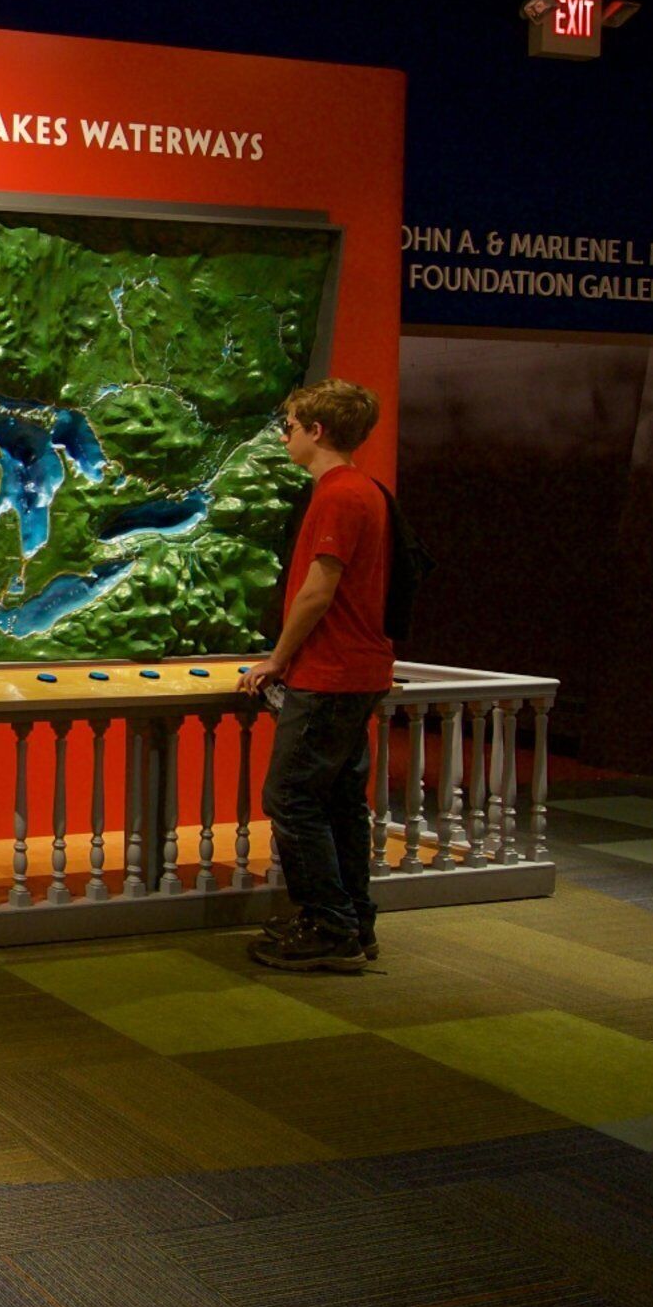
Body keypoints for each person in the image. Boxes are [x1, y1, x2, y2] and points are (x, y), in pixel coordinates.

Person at [235, 380, 396, 972]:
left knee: (290, 797)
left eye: (293, 426)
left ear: (317, 431)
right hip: (360, 671)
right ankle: (354, 919)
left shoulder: (337, 496)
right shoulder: (367, 491)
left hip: (328, 674)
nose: (287, 436)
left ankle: (329, 925)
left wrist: (277, 658)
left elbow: (318, 588)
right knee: (339, 802)